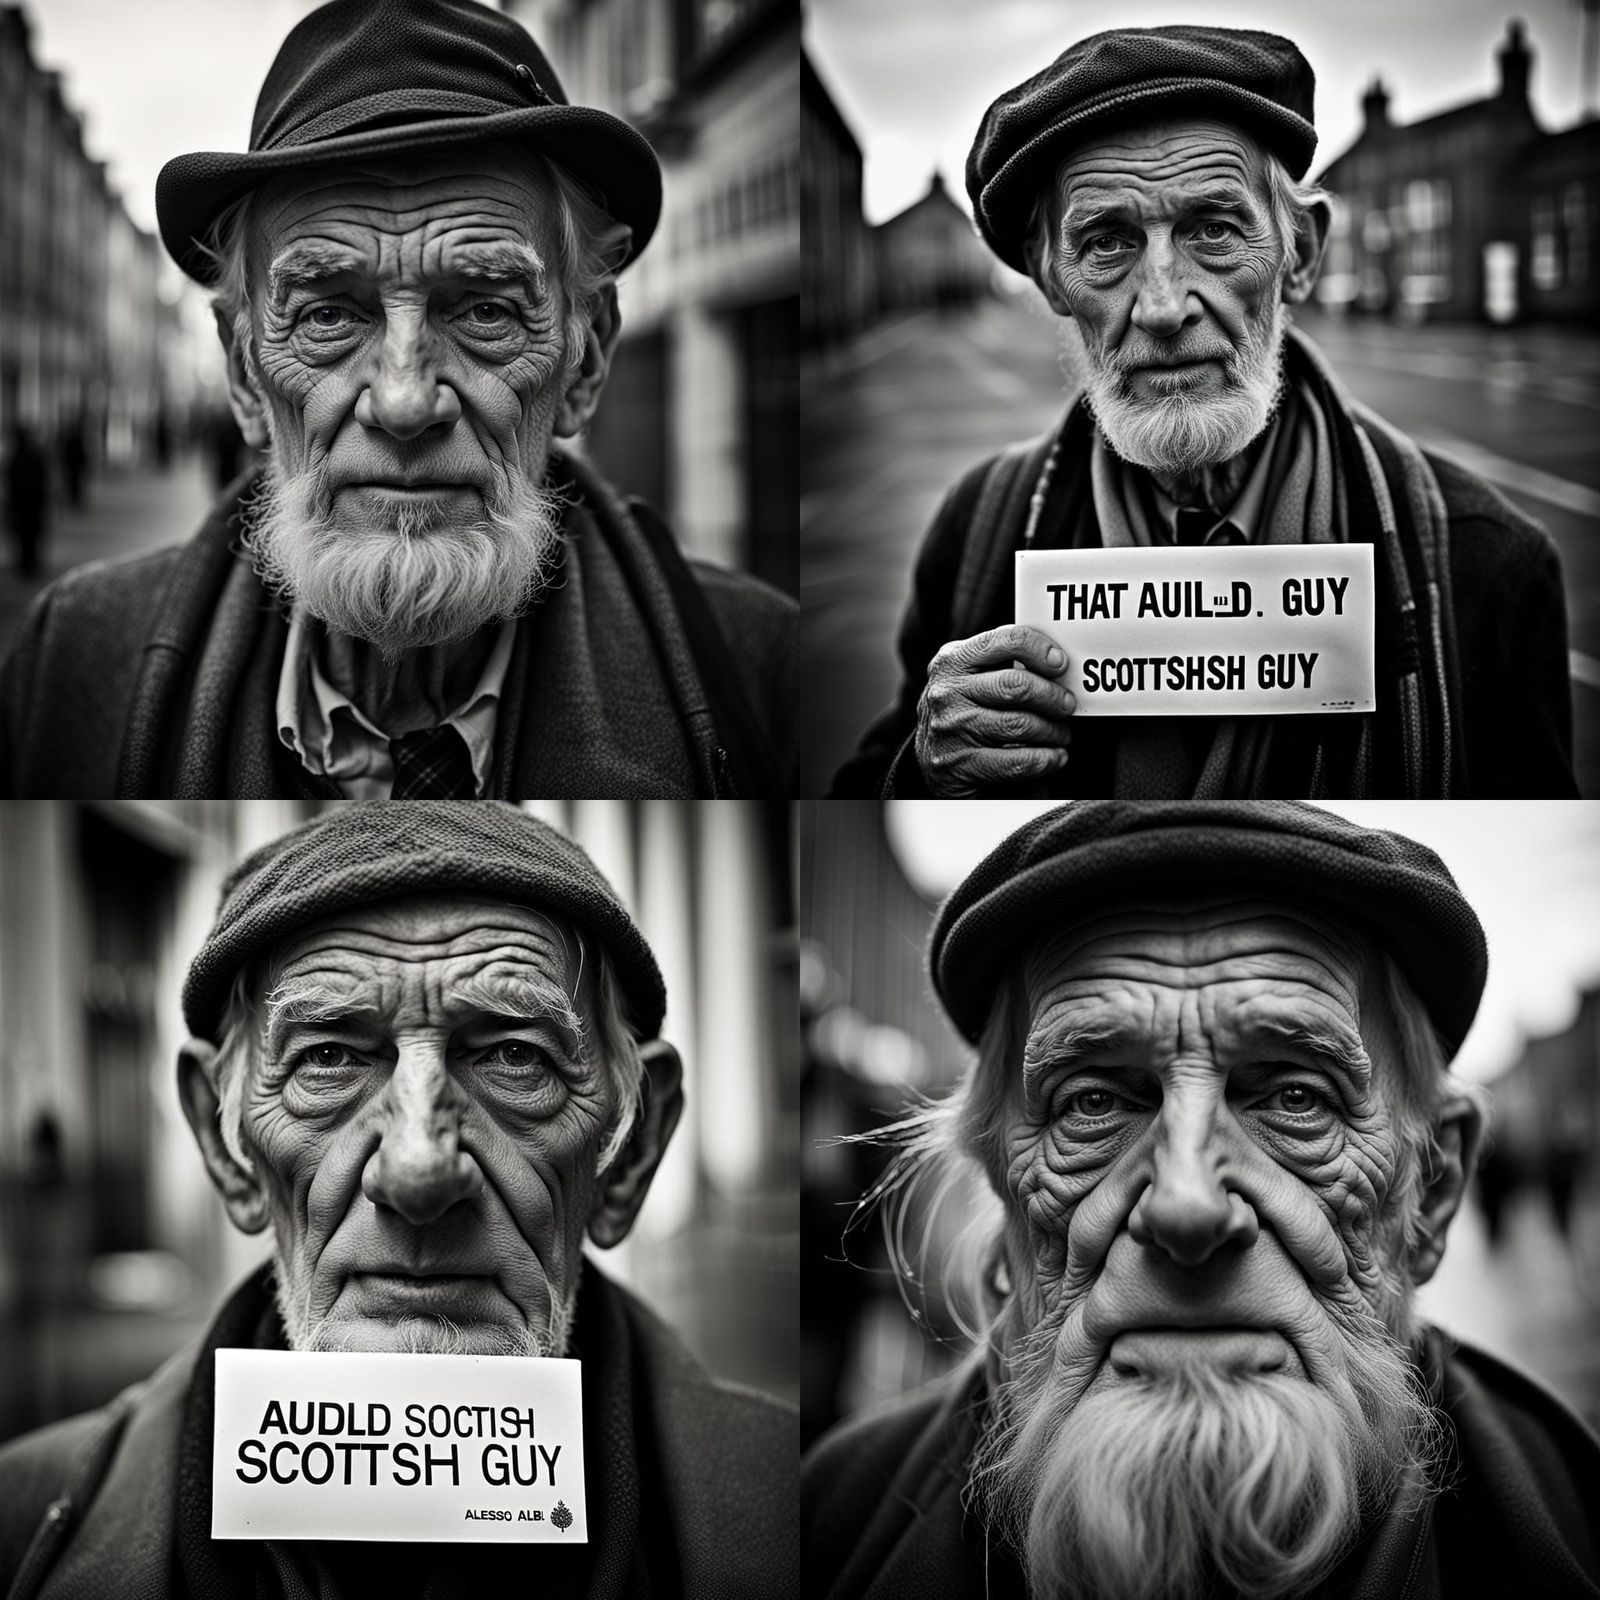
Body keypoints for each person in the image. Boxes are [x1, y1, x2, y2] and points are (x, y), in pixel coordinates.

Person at [804, 802, 1600, 1599]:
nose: (1186, 1207)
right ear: (1000, 1187)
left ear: (1430, 1192)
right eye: (1093, 1103)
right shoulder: (827, 1525)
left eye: (1295, 1097)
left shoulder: (1577, 1523)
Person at [0, 802, 797, 1597]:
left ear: (627, 1156)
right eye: (331, 1058)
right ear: (227, 1149)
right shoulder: (17, 1521)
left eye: (516, 1057)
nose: (418, 1174)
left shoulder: (804, 1520)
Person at [0, 0, 794, 798]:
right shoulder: (68, 662)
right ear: (244, 375)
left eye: (486, 309)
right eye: (329, 315)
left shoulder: (760, 666)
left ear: (583, 361)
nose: (406, 402)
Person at [831, 26, 1576, 799]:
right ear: (1054, 284)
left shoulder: (1485, 565)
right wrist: (924, 763)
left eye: (1213, 230)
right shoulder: (978, 529)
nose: (1161, 306)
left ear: (1301, 256)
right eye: (1108, 243)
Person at [3, 425, 49, 580]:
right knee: (31, 535)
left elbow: (11, 482)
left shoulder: (15, 458)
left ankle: (26, 564)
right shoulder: (34, 456)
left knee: (24, 536)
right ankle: (30, 563)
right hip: (33, 505)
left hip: (22, 506)